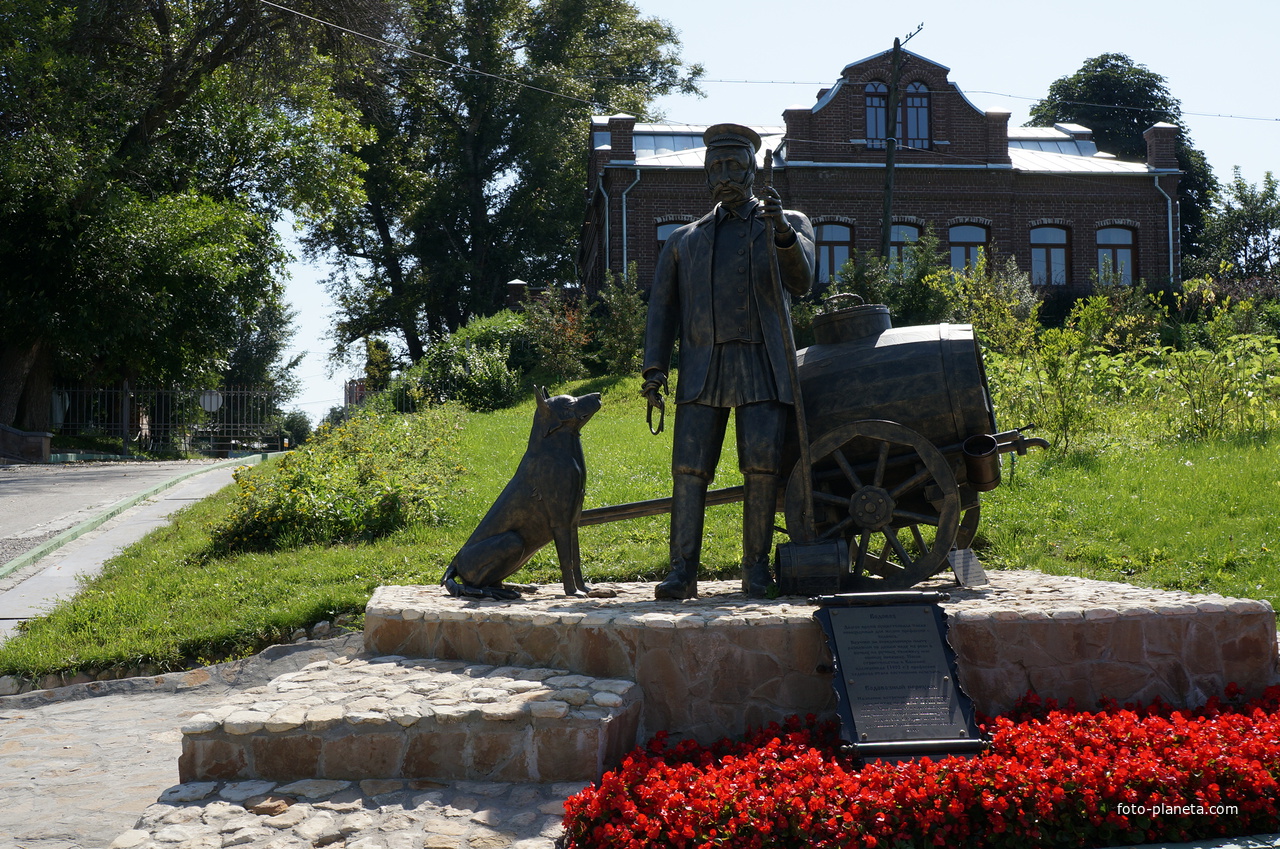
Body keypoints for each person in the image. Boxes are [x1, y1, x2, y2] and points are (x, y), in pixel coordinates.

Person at [641, 122, 815, 599]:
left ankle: (756, 568)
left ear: (754, 169)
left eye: (733, 165)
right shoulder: (684, 240)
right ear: (704, 173)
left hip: (764, 362)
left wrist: (780, 231)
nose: (724, 174)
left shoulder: (791, 222)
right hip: (703, 368)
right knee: (689, 469)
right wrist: (654, 370)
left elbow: (802, 283)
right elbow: (663, 310)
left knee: (761, 468)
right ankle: (681, 570)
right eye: (715, 166)